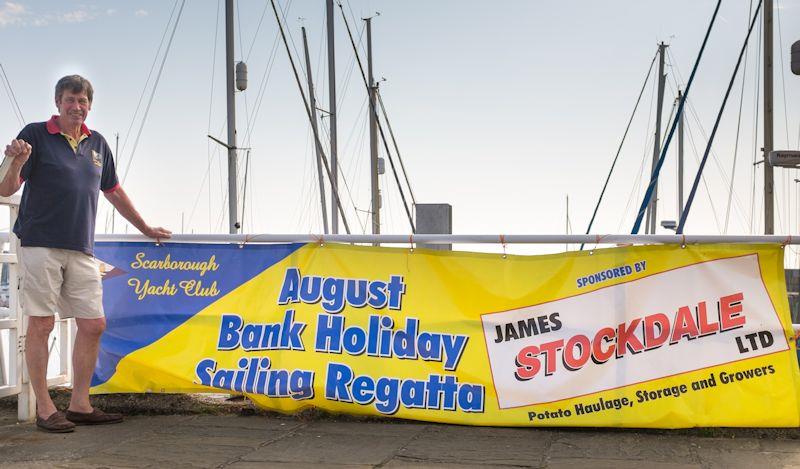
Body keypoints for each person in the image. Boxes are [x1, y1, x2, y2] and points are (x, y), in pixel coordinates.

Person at [0, 75, 171, 432]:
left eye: (82, 101)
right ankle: (46, 408)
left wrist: (147, 229)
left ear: (89, 105)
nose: (76, 106)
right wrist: (15, 161)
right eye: (69, 100)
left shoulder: (98, 144)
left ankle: (80, 404)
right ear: (57, 102)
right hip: (40, 243)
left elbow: (114, 191)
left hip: (81, 247)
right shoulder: (34, 134)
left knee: (93, 324)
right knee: (42, 324)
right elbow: (6, 188)